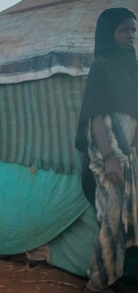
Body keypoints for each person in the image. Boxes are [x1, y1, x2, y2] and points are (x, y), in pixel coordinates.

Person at [75, 8, 138, 293]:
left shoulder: (132, 66)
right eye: (123, 30)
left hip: (131, 154)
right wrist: (111, 157)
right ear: (108, 33)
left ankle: (115, 277)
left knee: (124, 219)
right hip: (109, 154)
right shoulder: (102, 66)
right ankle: (97, 284)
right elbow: (95, 116)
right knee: (110, 220)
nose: (131, 35)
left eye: (133, 30)